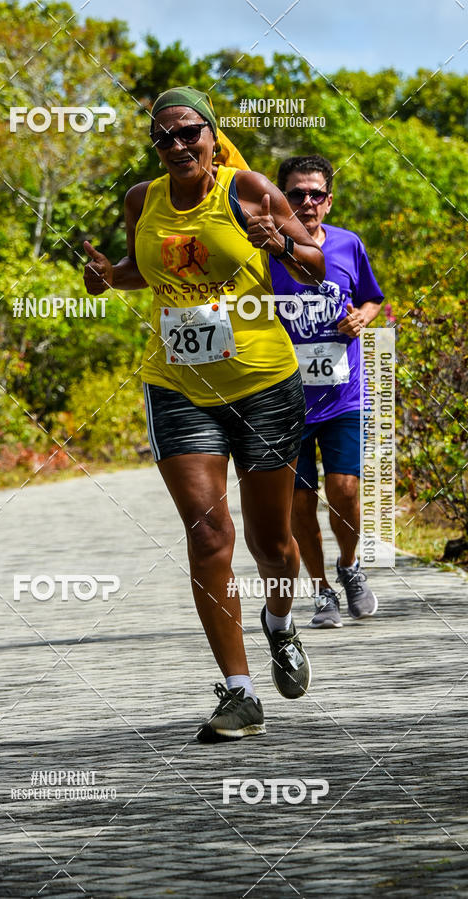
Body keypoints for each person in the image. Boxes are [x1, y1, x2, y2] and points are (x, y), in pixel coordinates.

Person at [83, 87, 325, 742]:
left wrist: (281, 244)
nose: (178, 145)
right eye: (164, 138)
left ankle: (279, 622)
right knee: (208, 532)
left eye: (189, 132)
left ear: (212, 134)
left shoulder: (247, 189)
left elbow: (314, 264)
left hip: (264, 383)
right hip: (178, 385)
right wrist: (109, 274)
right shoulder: (143, 199)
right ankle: (240, 691)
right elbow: (144, 270)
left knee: (271, 541)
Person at [269, 155, 383, 628]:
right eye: (297, 194)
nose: (307, 202)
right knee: (298, 503)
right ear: (281, 201)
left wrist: (363, 316)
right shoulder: (265, 254)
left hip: (344, 395)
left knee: (345, 492)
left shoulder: (348, 245)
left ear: (329, 201)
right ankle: (321, 592)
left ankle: (350, 567)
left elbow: (373, 297)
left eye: (316, 193)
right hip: (285, 399)